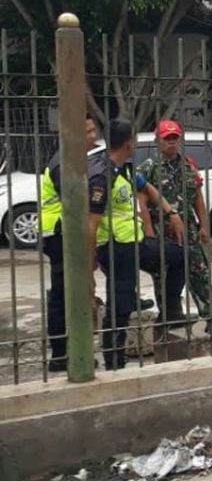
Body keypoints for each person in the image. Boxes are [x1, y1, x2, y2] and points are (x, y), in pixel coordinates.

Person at [87, 119, 190, 370]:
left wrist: (171, 213)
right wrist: (91, 258)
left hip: (136, 243)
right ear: (128, 143)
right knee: (119, 308)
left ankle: (171, 309)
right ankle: (114, 361)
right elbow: (91, 223)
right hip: (115, 249)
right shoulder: (102, 176)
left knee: (179, 256)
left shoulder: (126, 169)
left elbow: (150, 190)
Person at [137, 120, 212, 336]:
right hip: (162, 231)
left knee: (200, 273)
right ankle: (170, 316)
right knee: (164, 276)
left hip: (188, 230)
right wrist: (149, 233)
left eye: (174, 138)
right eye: (166, 138)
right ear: (157, 141)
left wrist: (204, 226)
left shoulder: (188, 165)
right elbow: (141, 202)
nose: (171, 142)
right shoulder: (148, 168)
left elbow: (197, 197)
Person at [39, 114, 100, 371]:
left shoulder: (73, 161)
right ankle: (62, 354)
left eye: (93, 130)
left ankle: (70, 352)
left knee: (71, 292)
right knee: (64, 294)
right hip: (59, 233)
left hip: (66, 232)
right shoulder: (62, 164)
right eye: (88, 132)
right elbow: (77, 202)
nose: (94, 136)